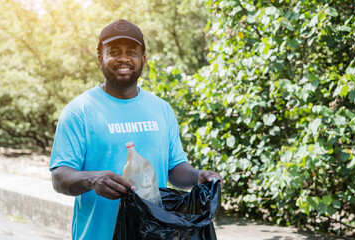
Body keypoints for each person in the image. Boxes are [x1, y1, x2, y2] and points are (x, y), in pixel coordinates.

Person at [49, 19, 224, 240]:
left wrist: (197, 177)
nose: (123, 58)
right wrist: (92, 179)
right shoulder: (79, 111)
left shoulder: (161, 110)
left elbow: (175, 168)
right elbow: (60, 178)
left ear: (142, 59)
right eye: (114, 51)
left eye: (131, 52)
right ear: (100, 58)